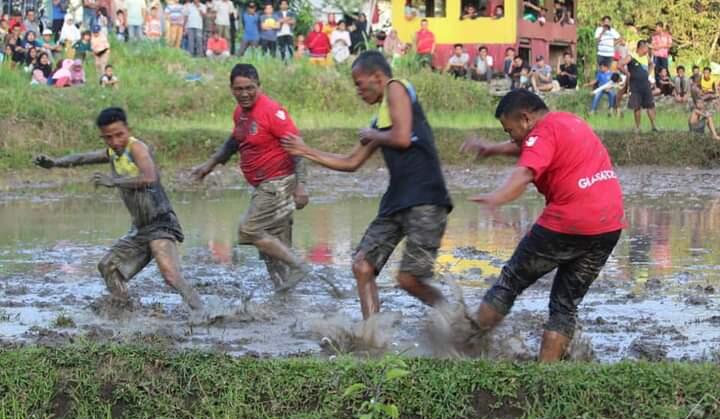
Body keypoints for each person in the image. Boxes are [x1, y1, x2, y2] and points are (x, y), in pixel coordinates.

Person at [281, 51, 453, 321]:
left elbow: (403, 138)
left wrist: (373, 134)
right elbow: (351, 162)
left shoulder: (395, 87)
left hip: (425, 199)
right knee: (362, 266)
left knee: (409, 280)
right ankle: (373, 333)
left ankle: (459, 321)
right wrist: (306, 151)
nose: (358, 91)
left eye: (359, 83)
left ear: (377, 77)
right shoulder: (380, 122)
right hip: (396, 201)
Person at [459, 89, 624, 361]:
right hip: (609, 225)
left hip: (570, 220)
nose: (509, 137)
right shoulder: (568, 121)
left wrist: (498, 197)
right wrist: (491, 150)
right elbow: (529, 146)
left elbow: (526, 169)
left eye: (508, 130)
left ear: (525, 118)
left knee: (510, 282)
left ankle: (464, 352)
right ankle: (547, 375)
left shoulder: (541, 133)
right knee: (564, 305)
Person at [34, 108, 203, 310]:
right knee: (108, 267)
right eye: (108, 137)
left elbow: (150, 177)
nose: (115, 141)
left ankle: (204, 313)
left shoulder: (137, 148)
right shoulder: (113, 153)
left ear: (128, 130)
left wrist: (115, 181)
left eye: (119, 135)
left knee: (170, 275)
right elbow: (82, 158)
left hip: (160, 223)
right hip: (140, 229)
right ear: (102, 137)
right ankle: (125, 310)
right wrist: (55, 163)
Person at [191, 64, 311, 292]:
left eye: (250, 88)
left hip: (279, 183)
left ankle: (300, 266)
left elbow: (298, 148)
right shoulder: (240, 113)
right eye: (239, 89)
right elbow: (234, 141)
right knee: (273, 250)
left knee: (249, 230)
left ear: (259, 86)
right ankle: (285, 300)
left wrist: (302, 186)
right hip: (263, 186)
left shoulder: (273, 112)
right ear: (231, 89)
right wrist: (209, 165)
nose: (244, 94)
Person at [619, 40, 658, 134]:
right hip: (635, 86)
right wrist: (627, 73)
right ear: (641, 47)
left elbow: (652, 64)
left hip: (646, 85)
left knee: (650, 105)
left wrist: (647, 74)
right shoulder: (631, 56)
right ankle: (637, 127)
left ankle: (654, 126)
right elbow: (619, 65)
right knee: (637, 107)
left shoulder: (646, 57)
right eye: (646, 48)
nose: (647, 50)